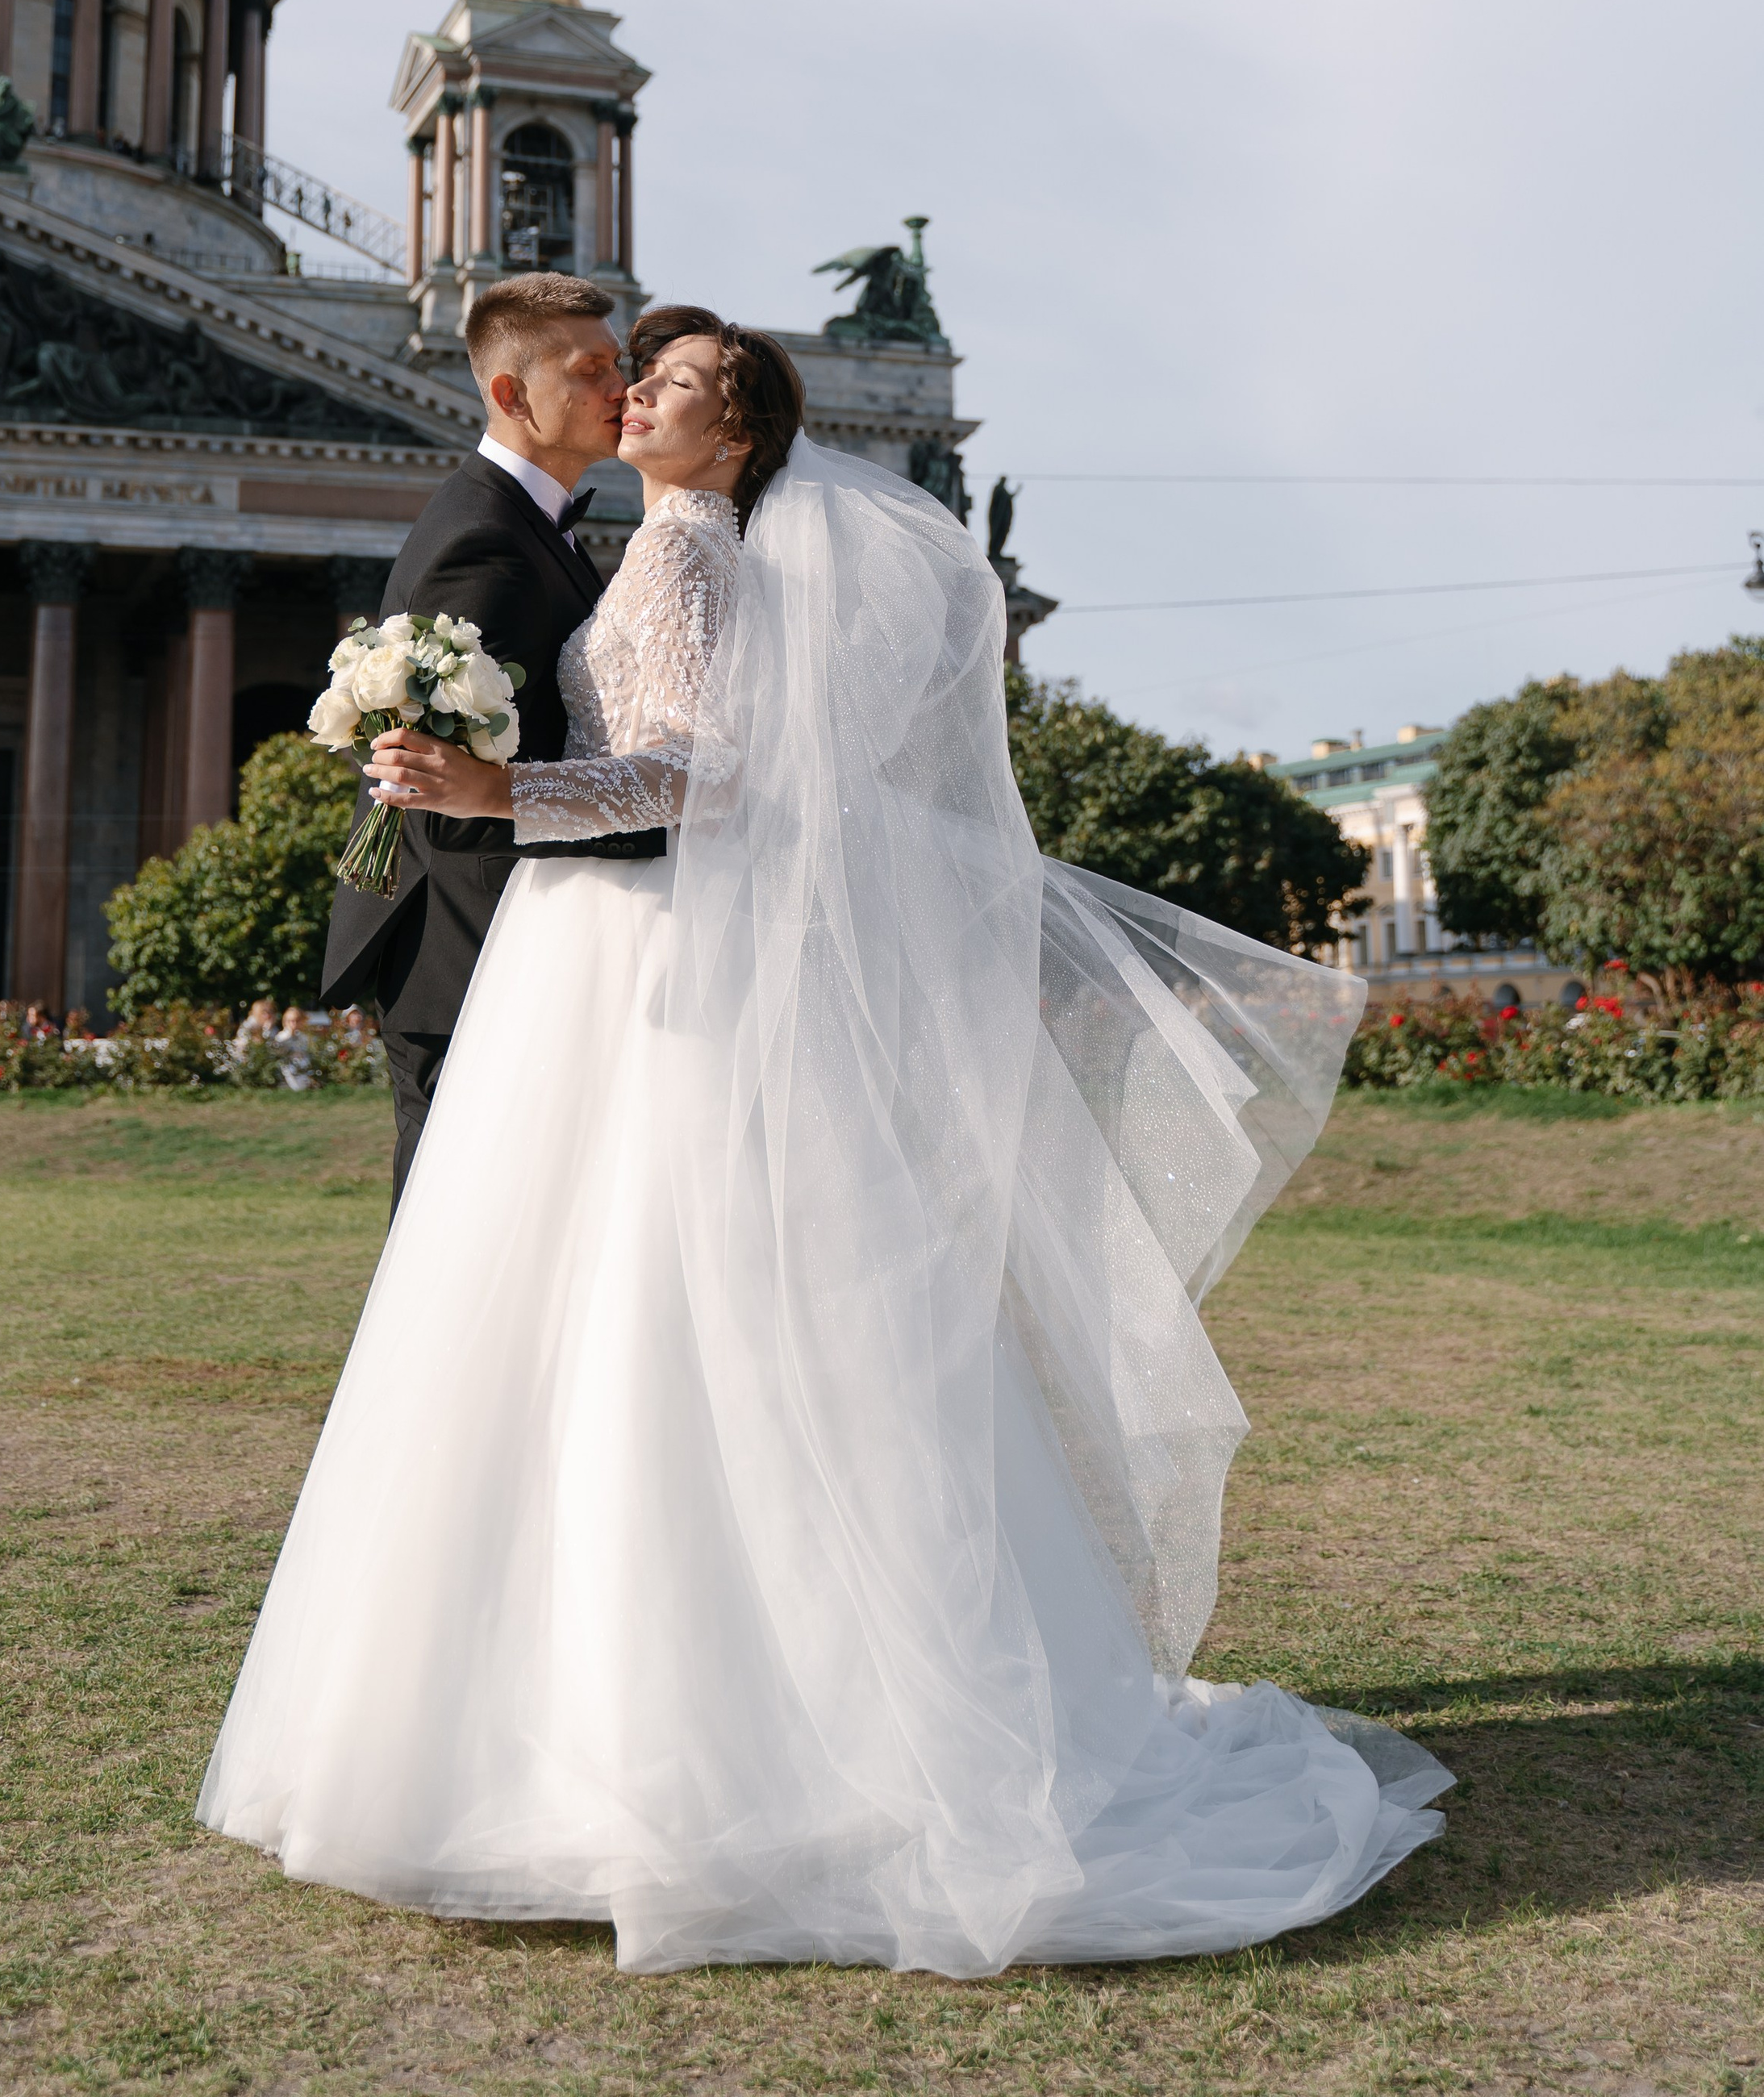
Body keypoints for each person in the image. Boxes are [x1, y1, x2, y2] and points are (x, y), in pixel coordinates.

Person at [200, 309, 1451, 1974]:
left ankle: (656, 1749)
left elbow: (701, 780)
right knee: (599, 1328)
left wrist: (503, 799)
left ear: (740, 441)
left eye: (685, 385)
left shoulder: (694, 559)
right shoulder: (645, 548)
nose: (642, 389)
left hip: (629, 955)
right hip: (592, 968)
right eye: (638, 371)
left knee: (642, 1326)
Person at [317, 271, 654, 1199]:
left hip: (491, 938)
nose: (620, 389)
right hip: (467, 948)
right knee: (460, 1217)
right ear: (511, 394)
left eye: (618, 365)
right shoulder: (487, 544)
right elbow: (454, 802)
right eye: (593, 370)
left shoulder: (528, 526)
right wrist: (666, 822)